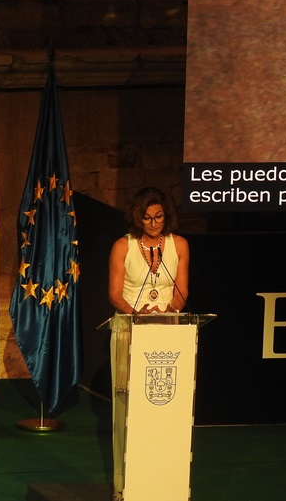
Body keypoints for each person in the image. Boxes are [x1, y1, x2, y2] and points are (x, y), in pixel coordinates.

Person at [107, 187, 190, 501]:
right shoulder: (122, 247)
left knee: (164, 407)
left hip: (168, 333)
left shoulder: (178, 245)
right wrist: (138, 314)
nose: (154, 223)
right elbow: (115, 294)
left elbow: (181, 291)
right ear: (137, 218)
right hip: (130, 331)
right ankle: (123, 485)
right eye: (147, 218)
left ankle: (164, 481)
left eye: (159, 217)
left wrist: (167, 313)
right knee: (128, 408)